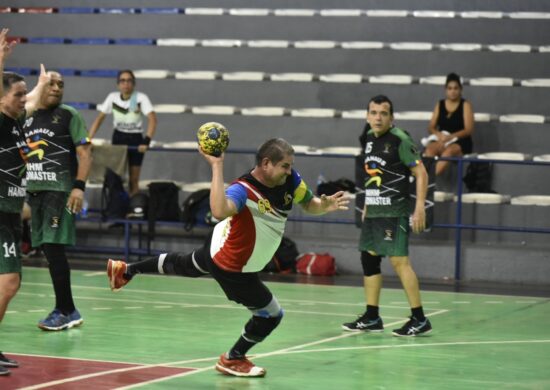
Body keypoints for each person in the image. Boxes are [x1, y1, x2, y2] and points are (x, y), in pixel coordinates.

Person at [107, 138, 349, 377]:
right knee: (271, 315)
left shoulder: (291, 180)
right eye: (285, 165)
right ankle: (233, 359)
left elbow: (310, 205)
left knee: (184, 264)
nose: (289, 170)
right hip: (233, 267)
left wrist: (324, 206)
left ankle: (126, 269)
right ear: (266, 164)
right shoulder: (243, 189)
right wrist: (216, 165)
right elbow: (219, 211)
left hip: (219, 246)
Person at [342, 95, 432, 337]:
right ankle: (372, 316)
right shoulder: (370, 139)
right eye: (373, 112)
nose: (378, 117)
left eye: (383, 113)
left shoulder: (400, 139)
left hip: (394, 211)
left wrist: (420, 206)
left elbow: (421, 172)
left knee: (399, 261)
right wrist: (368, 205)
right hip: (375, 209)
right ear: (367, 115)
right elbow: (375, 175)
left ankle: (419, 318)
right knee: (369, 258)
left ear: (391, 117)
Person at [23, 69, 93, 331]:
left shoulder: (68, 115)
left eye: (60, 85)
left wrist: (78, 187)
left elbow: (85, 153)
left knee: (54, 249)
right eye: (51, 84)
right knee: (46, 250)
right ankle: (67, 309)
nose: (56, 88)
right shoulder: (26, 116)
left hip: (59, 190)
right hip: (33, 192)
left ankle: (66, 309)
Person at [0, 28, 48, 374]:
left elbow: (31, 100)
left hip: (11, 213)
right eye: (16, 94)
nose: (23, 99)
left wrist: (42, 85)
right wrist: (1, 59)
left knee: (8, 284)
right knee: (9, 282)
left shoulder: (16, 122)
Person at [88, 70, 157, 196]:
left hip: (136, 139)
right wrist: (88, 139)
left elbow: (153, 119)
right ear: (118, 84)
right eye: (123, 80)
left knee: (133, 180)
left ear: (134, 83)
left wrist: (146, 141)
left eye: (129, 80)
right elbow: (99, 119)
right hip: (118, 137)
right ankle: (117, 209)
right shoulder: (112, 97)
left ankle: (133, 210)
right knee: (115, 178)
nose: (126, 84)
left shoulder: (141, 98)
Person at [424, 72, 474, 176]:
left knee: (449, 151)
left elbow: (468, 130)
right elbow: (431, 127)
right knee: (429, 149)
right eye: (450, 88)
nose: (453, 91)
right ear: (445, 90)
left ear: (460, 89)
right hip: (442, 139)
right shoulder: (440, 104)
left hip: (460, 142)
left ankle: (428, 180)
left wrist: (451, 137)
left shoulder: (465, 105)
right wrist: (439, 135)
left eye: (455, 88)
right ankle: (426, 181)